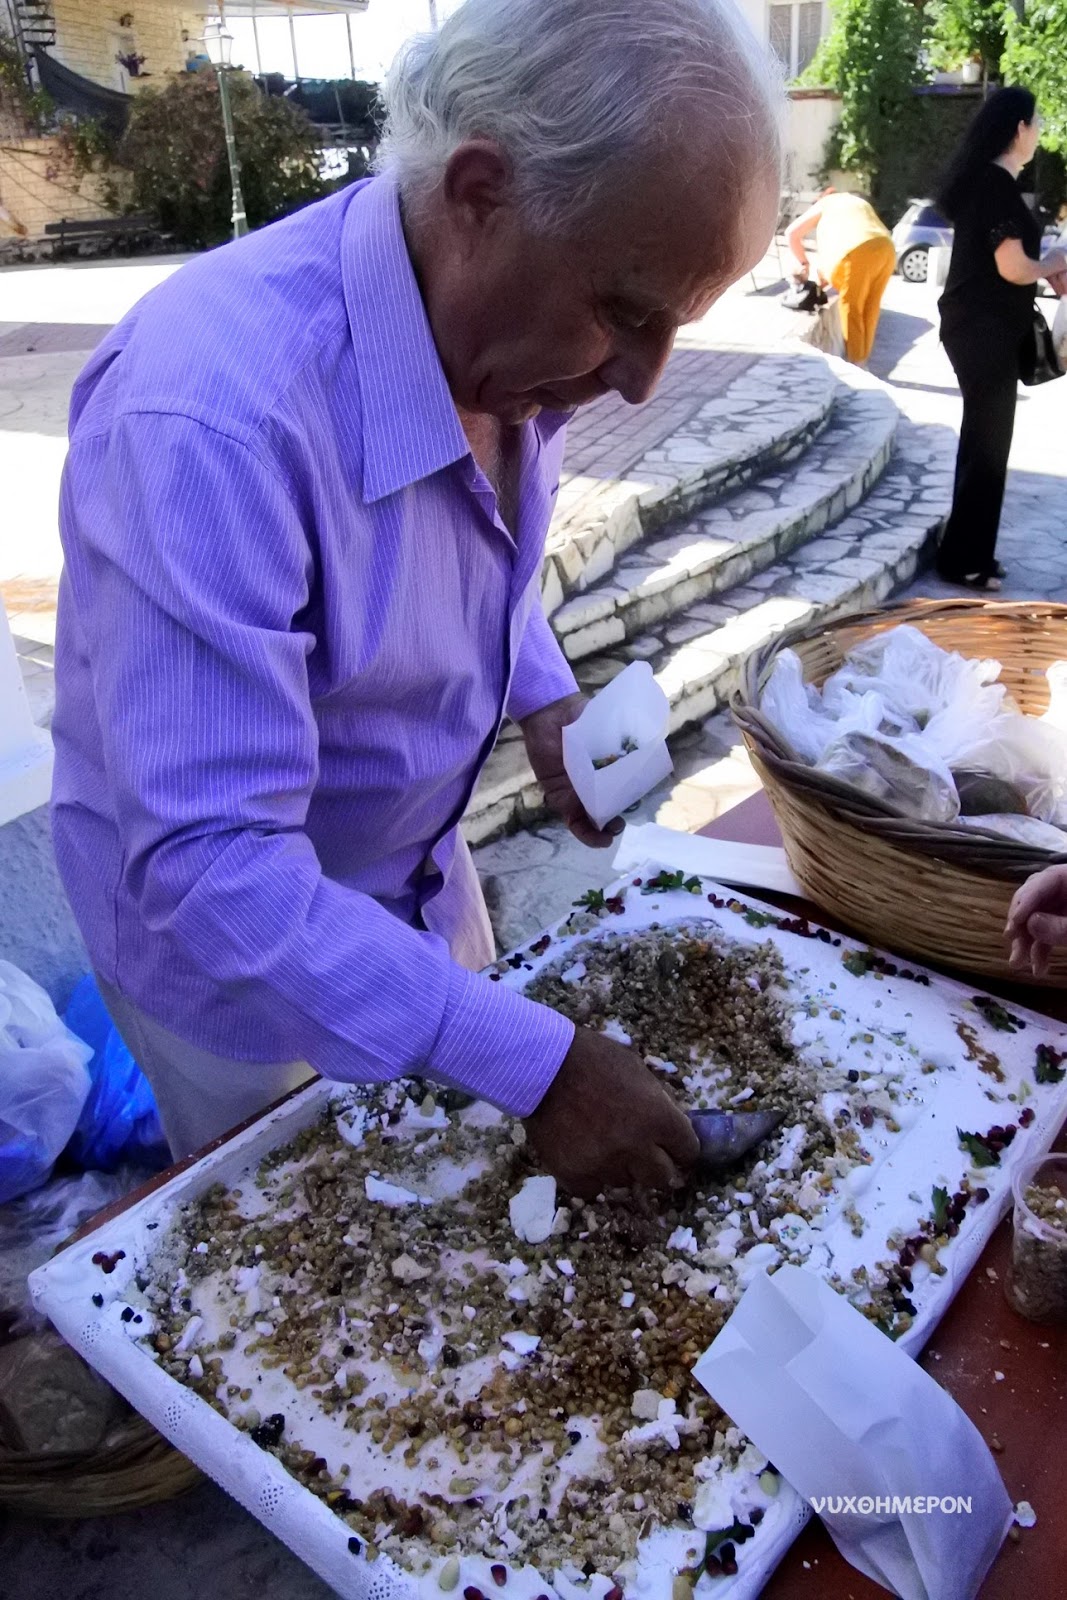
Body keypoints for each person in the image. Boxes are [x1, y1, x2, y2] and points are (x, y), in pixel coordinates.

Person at [52, 0, 782, 1195]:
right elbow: (212, 867)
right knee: (311, 1245)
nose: (641, 381)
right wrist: (540, 1067)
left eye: (673, 325)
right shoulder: (208, 419)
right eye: (626, 313)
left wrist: (539, 692)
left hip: (419, 882)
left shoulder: (511, 335)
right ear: (480, 192)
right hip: (236, 979)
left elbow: (465, 547)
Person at [935, 87, 1067, 592]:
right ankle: (965, 561)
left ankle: (970, 554)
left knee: (984, 443)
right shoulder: (995, 186)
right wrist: (1052, 263)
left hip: (979, 329)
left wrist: (1044, 269)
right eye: (1037, 122)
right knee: (988, 446)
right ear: (1019, 128)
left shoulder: (991, 183)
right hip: (982, 332)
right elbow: (1012, 267)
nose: (1040, 132)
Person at [784, 188, 896, 366]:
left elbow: (791, 233)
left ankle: (856, 364)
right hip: (886, 247)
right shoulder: (855, 203)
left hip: (859, 249)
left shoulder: (826, 203)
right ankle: (863, 359)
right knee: (871, 306)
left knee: (851, 307)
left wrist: (804, 263)